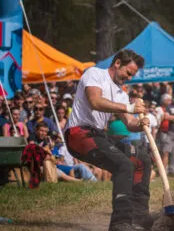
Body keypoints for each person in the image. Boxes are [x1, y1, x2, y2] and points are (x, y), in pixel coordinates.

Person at [63, 49, 152, 231]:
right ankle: (120, 223)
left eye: (132, 76)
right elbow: (95, 101)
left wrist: (141, 122)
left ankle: (139, 218)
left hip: (97, 135)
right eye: (128, 73)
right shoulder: (95, 74)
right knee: (124, 165)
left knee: (142, 160)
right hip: (78, 134)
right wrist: (129, 107)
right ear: (117, 63)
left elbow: (129, 123)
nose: (128, 78)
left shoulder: (121, 92)